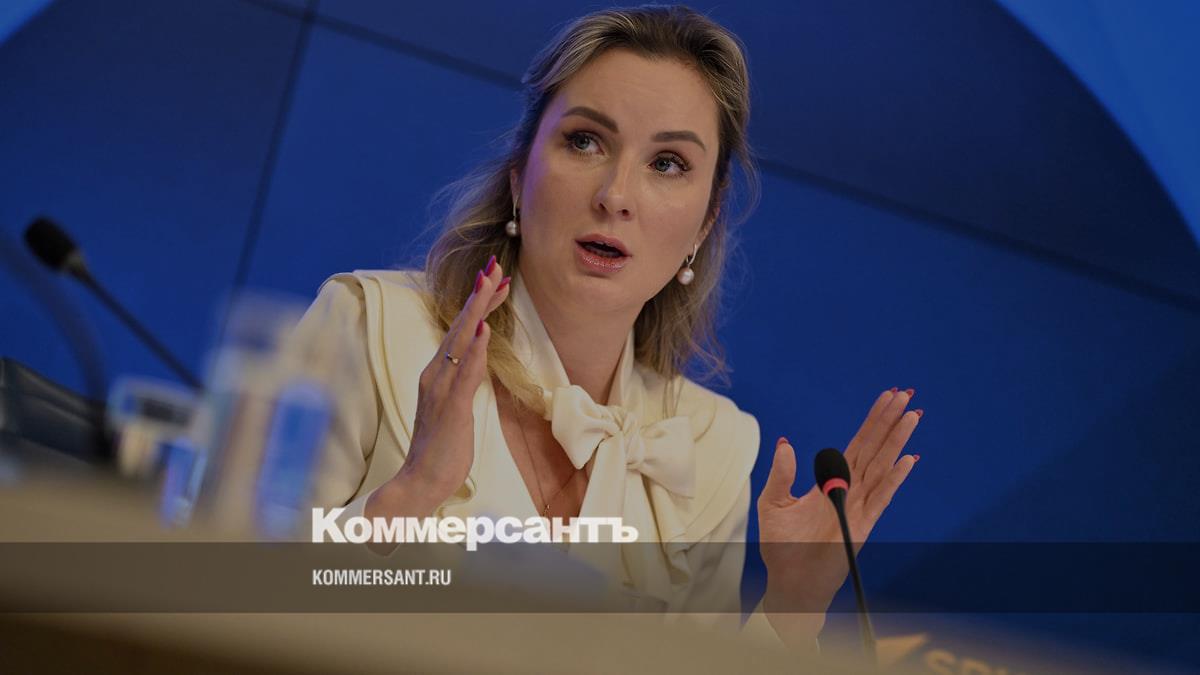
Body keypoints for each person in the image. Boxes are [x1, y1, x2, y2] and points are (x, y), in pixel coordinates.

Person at [292, 4, 922, 652]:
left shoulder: (710, 445)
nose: (616, 195)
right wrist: (413, 492)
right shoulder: (369, 326)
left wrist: (794, 607)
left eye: (668, 163)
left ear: (705, 224)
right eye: (585, 141)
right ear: (519, 175)